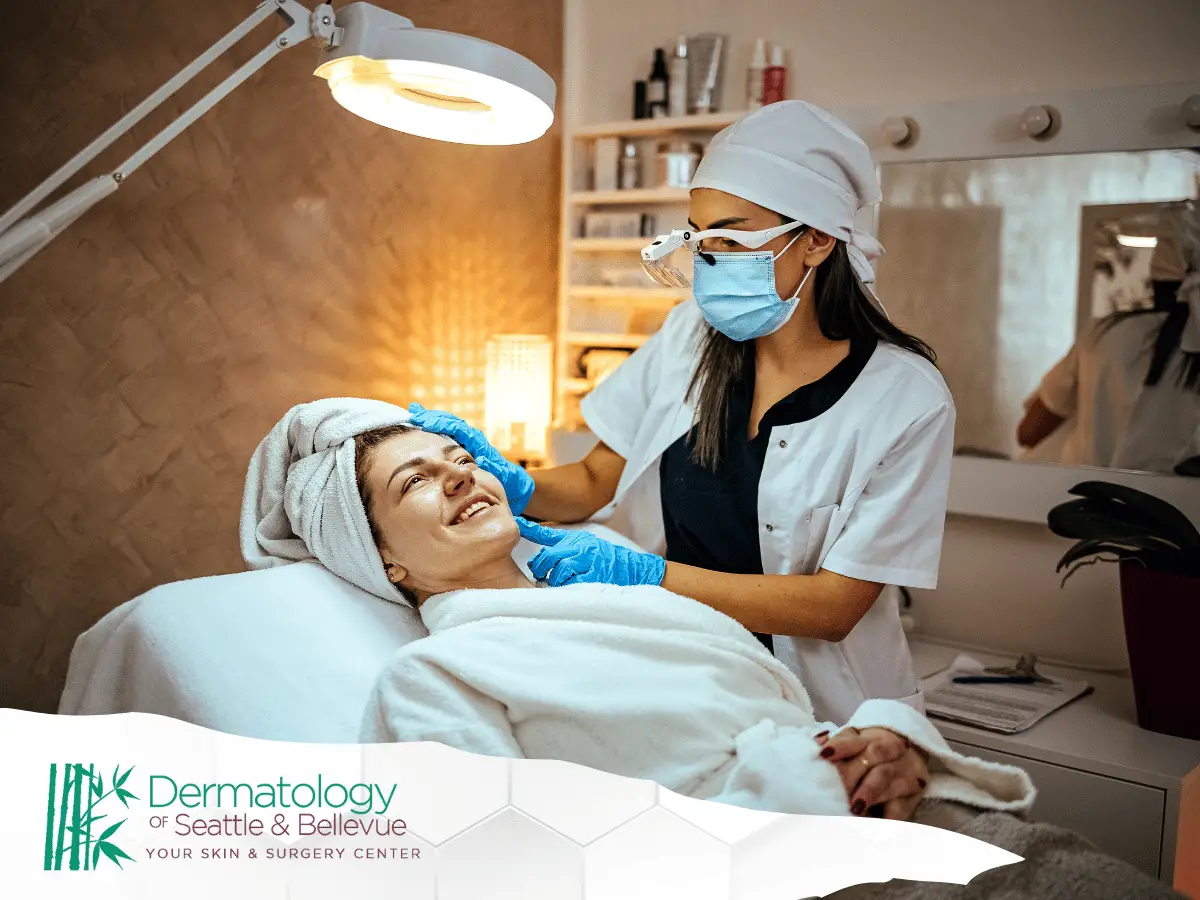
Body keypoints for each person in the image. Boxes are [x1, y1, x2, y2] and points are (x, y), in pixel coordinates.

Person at [409, 101, 955, 724]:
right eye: (698, 237)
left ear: (816, 240)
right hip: (685, 673)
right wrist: (511, 481)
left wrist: (643, 576)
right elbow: (594, 479)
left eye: (730, 237)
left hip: (831, 709)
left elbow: (834, 607)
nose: (706, 260)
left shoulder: (906, 398)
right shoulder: (689, 336)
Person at [240, 399, 1029, 822]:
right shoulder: (433, 676)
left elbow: (780, 710)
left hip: (898, 809)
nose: (458, 475)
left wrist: (889, 742)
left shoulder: (617, 601)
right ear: (383, 560)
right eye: (413, 481)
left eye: (459, 459)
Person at [1018, 206, 1200, 475]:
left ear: (1153, 277)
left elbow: (1029, 431)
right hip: (1169, 502)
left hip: (1082, 494)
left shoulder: (1104, 334)